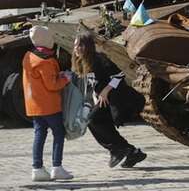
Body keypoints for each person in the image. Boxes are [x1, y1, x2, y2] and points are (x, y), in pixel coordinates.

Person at [72, 31, 147, 169]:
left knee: (93, 120)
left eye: (80, 45)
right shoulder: (81, 63)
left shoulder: (99, 59)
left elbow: (119, 74)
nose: (76, 48)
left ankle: (120, 150)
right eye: (75, 45)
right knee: (95, 121)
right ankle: (130, 152)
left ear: (88, 46)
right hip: (104, 101)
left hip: (118, 98)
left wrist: (105, 91)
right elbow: (92, 85)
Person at [22, 25, 73, 182]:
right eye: (51, 38)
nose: (53, 40)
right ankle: (56, 167)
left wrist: (58, 75)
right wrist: (65, 78)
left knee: (39, 135)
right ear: (45, 40)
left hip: (34, 105)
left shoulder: (28, 57)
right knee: (59, 134)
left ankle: (37, 168)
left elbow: (41, 80)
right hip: (49, 105)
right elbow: (52, 85)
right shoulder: (46, 61)